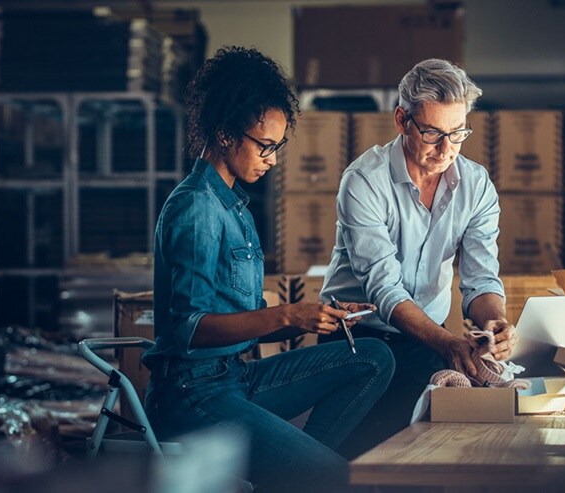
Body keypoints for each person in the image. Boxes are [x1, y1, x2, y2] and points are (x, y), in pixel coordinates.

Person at [141, 46, 395, 492]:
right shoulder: (197, 207)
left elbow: (247, 324)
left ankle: (297, 475)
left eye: (278, 147)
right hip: (191, 395)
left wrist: (318, 315)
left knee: (373, 357)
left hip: (235, 377)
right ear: (223, 133)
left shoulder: (234, 204)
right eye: (264, 146)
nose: (272, 159)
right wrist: (287, 315)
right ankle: (309, 475)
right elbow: (187, 329)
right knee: (334, 477)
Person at [319, 59, 519, 458]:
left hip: (429, 335)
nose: (446, 149)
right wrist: (447, 343)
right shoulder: (364, 181)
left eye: (458, 134)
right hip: (356, 336)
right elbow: (385, 289)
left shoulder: (476, 186)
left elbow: (480, 280)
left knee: (425, 451)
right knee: (354, 458)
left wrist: (494, 321)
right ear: (401, 120)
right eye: (432, 133)